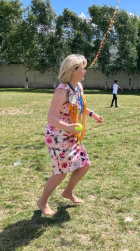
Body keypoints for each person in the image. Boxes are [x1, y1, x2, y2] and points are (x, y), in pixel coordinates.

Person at [37, 54, 104, 215]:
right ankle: (42, 201)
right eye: (82, 68)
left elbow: (79, 105)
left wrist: (92, 114)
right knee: (60, 172)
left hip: (72, 133)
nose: (84, 71)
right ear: (73, 70)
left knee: (84, 165)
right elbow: (51, 117)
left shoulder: (78, 87)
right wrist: (68, 127)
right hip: (57, 136)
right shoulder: (61, 91)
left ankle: (68, 192)